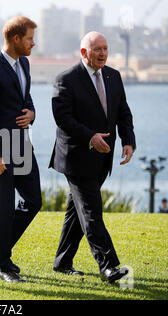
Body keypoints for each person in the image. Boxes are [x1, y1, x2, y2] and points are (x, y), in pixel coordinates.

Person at [49, 31, 136, 284]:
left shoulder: (113, 75)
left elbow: (123, 112)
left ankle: (62, 262)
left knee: (76, 211)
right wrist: (90, 137)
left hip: (103, 158)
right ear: (84, 53)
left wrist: (128, 140)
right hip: (76, 157)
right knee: (91, 211)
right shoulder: (66, 79)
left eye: (105, 48)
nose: (102, 53)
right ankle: (109, 267)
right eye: (97, 49)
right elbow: (63, 118)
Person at [0, 16, 42, 283]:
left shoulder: (25, 63)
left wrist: (32, 113)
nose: (34, 43)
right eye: (30, 38)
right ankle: (4, 264)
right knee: (5, 205)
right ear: (16, 39)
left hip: (22, 142)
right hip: (1, 144)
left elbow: (25, 98)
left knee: (33, 201)